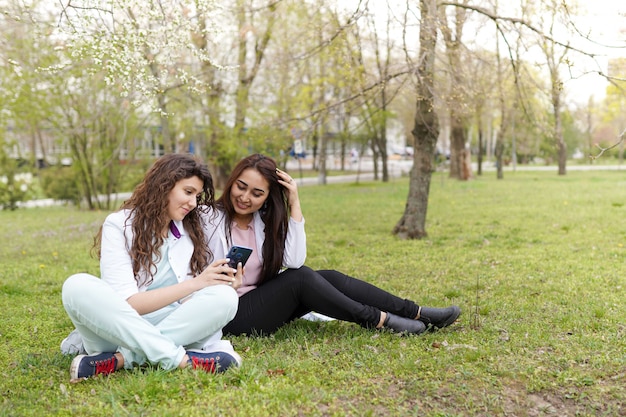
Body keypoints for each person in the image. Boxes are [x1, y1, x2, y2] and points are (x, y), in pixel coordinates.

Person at [203, 153, 461, 337]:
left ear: (268, 198)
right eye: (241, 187)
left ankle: (415, 312)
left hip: (260, 302)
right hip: (229, 314)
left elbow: (293, 261)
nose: (245, 198)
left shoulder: (263, 222)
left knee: (328, 277)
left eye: (257, 193)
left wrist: (294, 202)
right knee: (302, 279)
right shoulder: (208, 218)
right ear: (232, 181)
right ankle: (379, 321)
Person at [61, 153, 242, 382]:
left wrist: (215, 286)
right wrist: (197, 283)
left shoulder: (188, 231)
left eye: (196, 195)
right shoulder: (119, 225)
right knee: (76, 285)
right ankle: (181, 360)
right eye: (188, 192)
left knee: (225, 296)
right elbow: (129, 304)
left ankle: (121, 359)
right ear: (163, 186)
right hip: (118, 328)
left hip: (171, 326)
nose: (193, 203)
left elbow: (188, 302)